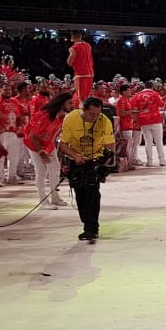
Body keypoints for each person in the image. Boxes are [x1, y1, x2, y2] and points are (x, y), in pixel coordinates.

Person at [59, 97, 115, 242]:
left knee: (94, 194)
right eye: (92, 114)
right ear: (83, 110)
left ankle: (92, 228)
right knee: (81, 194)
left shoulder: (104, 121)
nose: (95, 117)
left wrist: (104, 164)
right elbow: (63, 144)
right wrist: (75, 157)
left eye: (98, 114)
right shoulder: (70, 119)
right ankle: (87, 223)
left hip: (95, 159)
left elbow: (109, 145)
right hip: (75, 159)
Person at [26, 93, 74, 210]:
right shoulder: (44, 116)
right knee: (41, 171)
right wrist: (41, 152)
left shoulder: (62, 117)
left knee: (55, 169)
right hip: (34, 145)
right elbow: (32, 136)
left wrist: (52, 149)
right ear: (62, 104)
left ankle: (54, 197)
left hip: (47, 144)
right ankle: (43, 201)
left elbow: (54, 134)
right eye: (70, 103)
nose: (72, 105)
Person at [66, 31, 94, 104]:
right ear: (81, 37)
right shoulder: (88, 45)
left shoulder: (74, 48)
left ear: (72, 38)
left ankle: (82, 112)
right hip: (90, 73)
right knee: (86, 95)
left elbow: (69, 62)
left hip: (81, 73)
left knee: (81, 97)